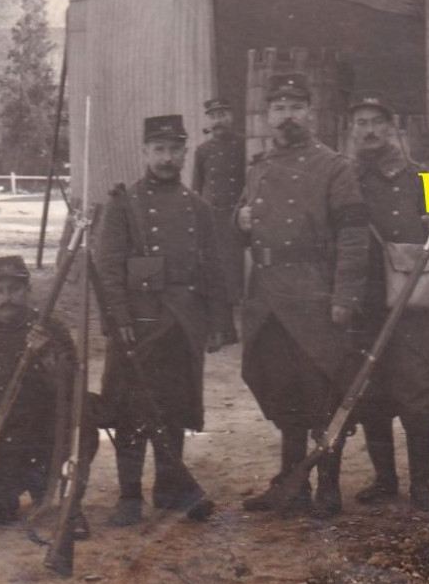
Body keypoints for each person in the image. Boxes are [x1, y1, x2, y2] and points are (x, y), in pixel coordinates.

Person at [238, 72, 369, 518]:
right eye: (278, 108)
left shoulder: (334, 166)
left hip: (315, 293)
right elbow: (245, 225)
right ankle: (291, 484)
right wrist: (241, 222)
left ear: (310, 113)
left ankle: (328, 487)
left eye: (295, 107)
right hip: (268, 298)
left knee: (324, 394)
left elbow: (353, 236)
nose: (287, 116)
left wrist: (345, 296)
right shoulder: (258, 167)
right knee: (281, 390)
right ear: (268, 115)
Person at [93, 114, 231, 527]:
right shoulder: (123, 205)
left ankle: (170, 489)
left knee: (173, 411)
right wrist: (119, 319)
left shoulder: (199, 209)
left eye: (174, 150)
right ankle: (129, 495)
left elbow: (214, 268)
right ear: (144, 152)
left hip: (182, 325)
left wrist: (216, 322)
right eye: (159, 150)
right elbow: (108, 268)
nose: (167, 159)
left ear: (186, 153)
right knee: (130, 411)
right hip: (138, 324)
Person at [0, 255, 98, 534]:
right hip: (6, 443)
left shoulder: (53, 330)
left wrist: (49, 357)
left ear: (28, 292)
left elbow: (74, 389)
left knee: (84, 426)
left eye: (14, 289)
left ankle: (66, 501)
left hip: (50, 442)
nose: (7, 297)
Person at [347, 92, 429, 512]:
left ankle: (422, 484)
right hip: (361, 304)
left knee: (418, 393)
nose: (369, 131)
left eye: (376, 123)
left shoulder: (421, 176)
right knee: (370, 394)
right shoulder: (343, 178)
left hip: (409, 302)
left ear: (391, 129)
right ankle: (386, 479)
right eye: (361, 123)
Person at [191, 97, 246, 340]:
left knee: (239, 273)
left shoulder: (243, 145)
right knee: (217, 273)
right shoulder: (202, 151)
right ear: (208, 120)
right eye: (214, 116)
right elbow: (197, 186)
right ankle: (225, 329)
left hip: (238, 218)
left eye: (223, 114)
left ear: (231, 117)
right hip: (213, 220)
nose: (219, 120)